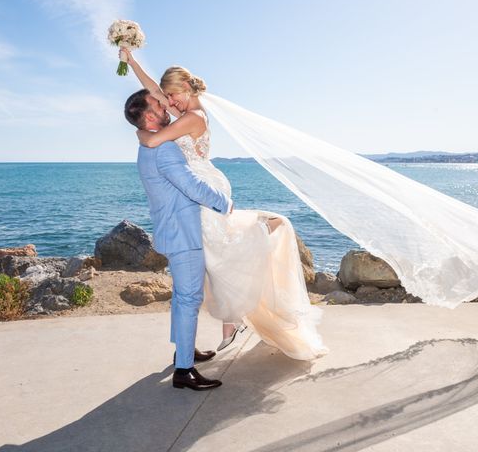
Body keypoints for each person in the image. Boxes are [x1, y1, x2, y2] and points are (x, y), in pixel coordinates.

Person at [122, 48, 328, 360]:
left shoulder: (192, 117)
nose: (168, 103)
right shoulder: (186, 110)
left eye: (172, 96)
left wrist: (139, 129)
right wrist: (132, 61)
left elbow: (152, 140)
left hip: (204, 188)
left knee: (222, 255)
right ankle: (226, 326)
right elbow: (153, 92)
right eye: (165, 98)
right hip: (202, 185)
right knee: (218, 255)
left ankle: (230, 323)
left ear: (187, 90)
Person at [125, 89, 232, 391]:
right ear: (149, 117)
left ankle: (184, 351)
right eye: (159, 105)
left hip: (170, 230)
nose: (165, 106)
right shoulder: (165, 149)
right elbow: (192, 187)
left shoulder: (147, 146)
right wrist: (225, 204)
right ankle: (184, 370)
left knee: (182, 298)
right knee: (188, 299)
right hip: (183, 234)